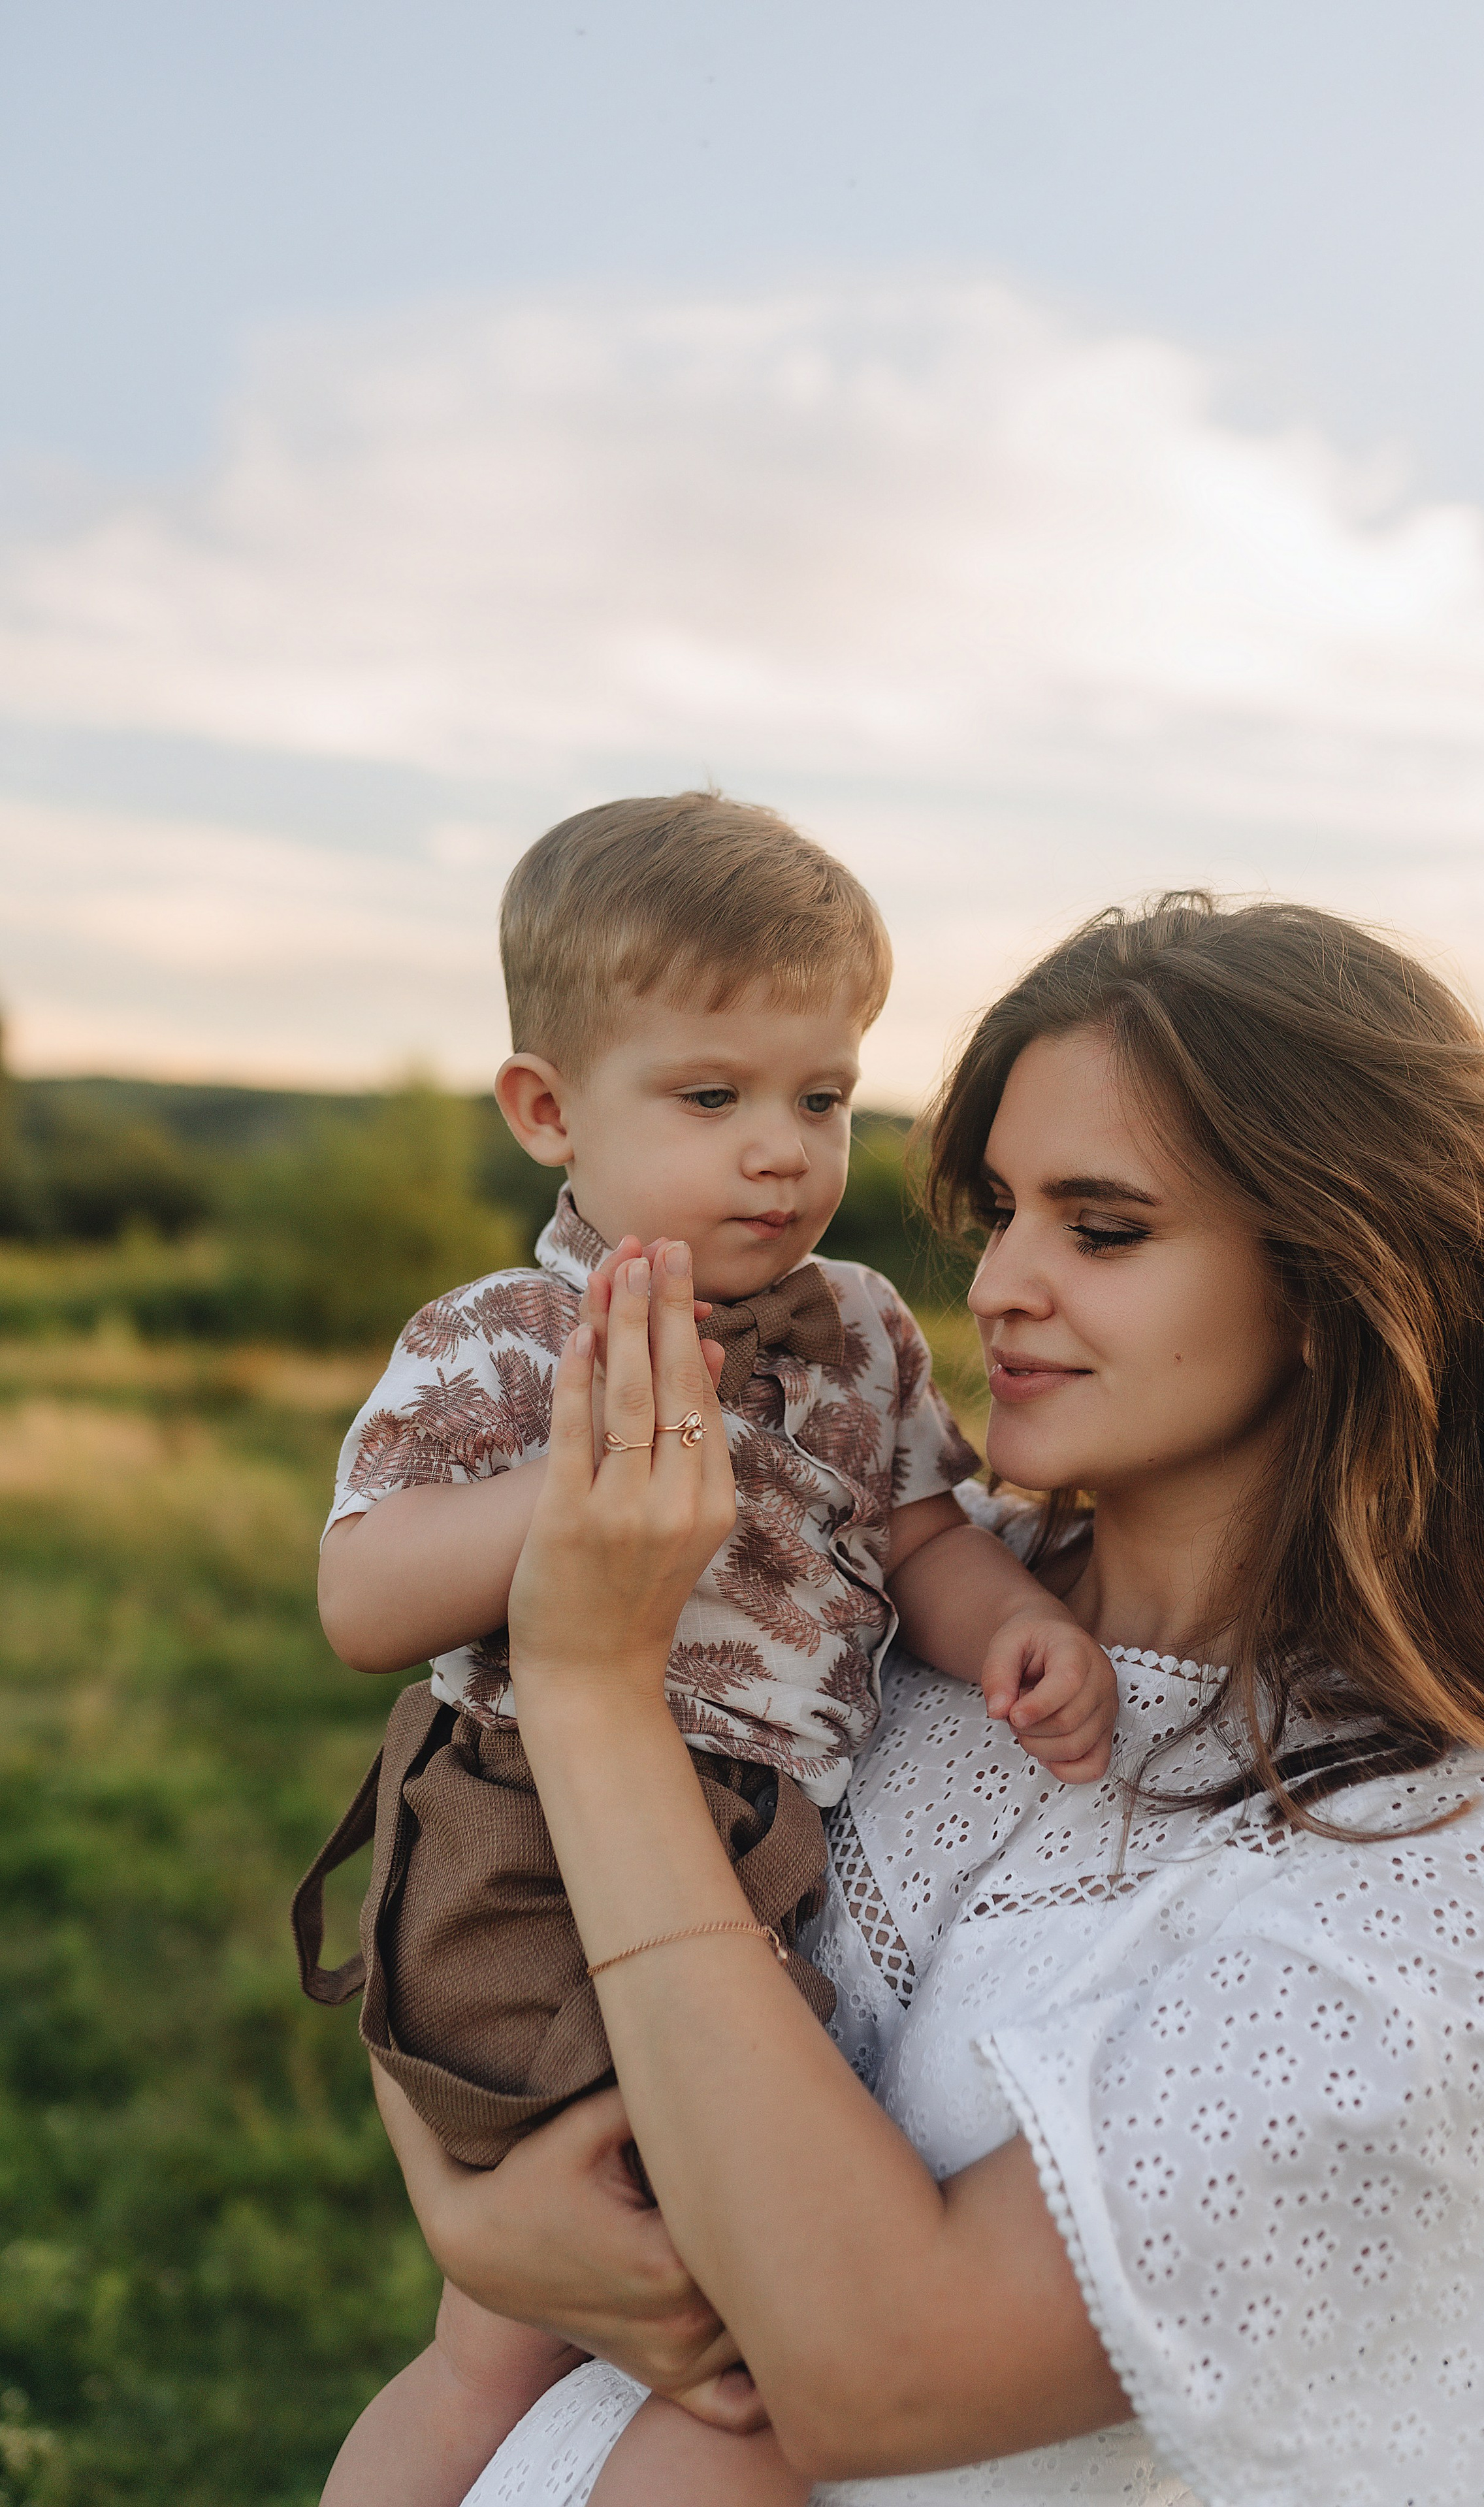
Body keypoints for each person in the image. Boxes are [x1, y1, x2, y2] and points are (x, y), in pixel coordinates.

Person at [370, 895, 1484, 2506]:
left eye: (1100, 1227)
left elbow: (878, 2370)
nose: (994, 1284)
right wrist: (471, 2205)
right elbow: (478, 1866)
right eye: (995, 1210)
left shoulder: (1461, 1839)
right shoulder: (894, 1594)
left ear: (1338, 1280)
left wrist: (593, 1693)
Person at [309, 793, 1118, 2506]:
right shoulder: (514, 1337)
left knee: (703, 2275)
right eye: (711, 1096)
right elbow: (362, 1597)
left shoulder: (866, 1331)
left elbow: (922, 1537)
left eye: (820, 1097)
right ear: (549, 1109)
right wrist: (574, 1498)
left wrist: (1020, 1627)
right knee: (531, 2321)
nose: (784, 1149)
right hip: (532, 1827)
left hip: (759, 1852)